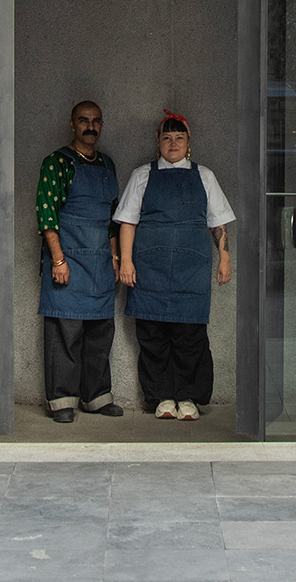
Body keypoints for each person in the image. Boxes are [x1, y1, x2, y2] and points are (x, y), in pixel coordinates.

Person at [114, 110, 235, 421]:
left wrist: (224, 257)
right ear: (158, 142)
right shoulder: (142, 175)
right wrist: (126, 261)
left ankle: (188, 397)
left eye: (179, 137)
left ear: (188, 142)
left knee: (190, 336)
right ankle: (162, 397)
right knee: (152, 336)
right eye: (167, 138)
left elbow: (218, 223)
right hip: (149, 270)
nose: (173, 143)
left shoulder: (204, 176)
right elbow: (127, 221)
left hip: (191, 271)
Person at [36, 100, 126, 424]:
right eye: (83, 120)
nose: (91, 126)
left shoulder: (108, 166)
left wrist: (115, 258)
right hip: (68, 261)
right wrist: (58, 260)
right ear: (72, 125)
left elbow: (113, 219)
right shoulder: (57, 163)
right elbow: (47, 217)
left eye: (96, 120)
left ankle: (97, 397)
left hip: (101, 262)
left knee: (101, 333)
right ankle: (61, 401)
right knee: (66, 333)